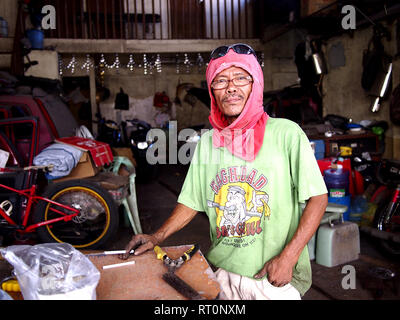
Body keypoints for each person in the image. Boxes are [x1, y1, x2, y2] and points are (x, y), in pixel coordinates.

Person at [120, 43, 328, 300]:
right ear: (212, 92)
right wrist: (157, 236)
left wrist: (288, 257)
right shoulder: (208, 142)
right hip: (224, 273)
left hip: (273, 277)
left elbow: (318, 198)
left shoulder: (287, 133)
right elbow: (192, 201)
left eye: (241, 77)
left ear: (255, 85)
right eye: (220, 80)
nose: (231, 87)